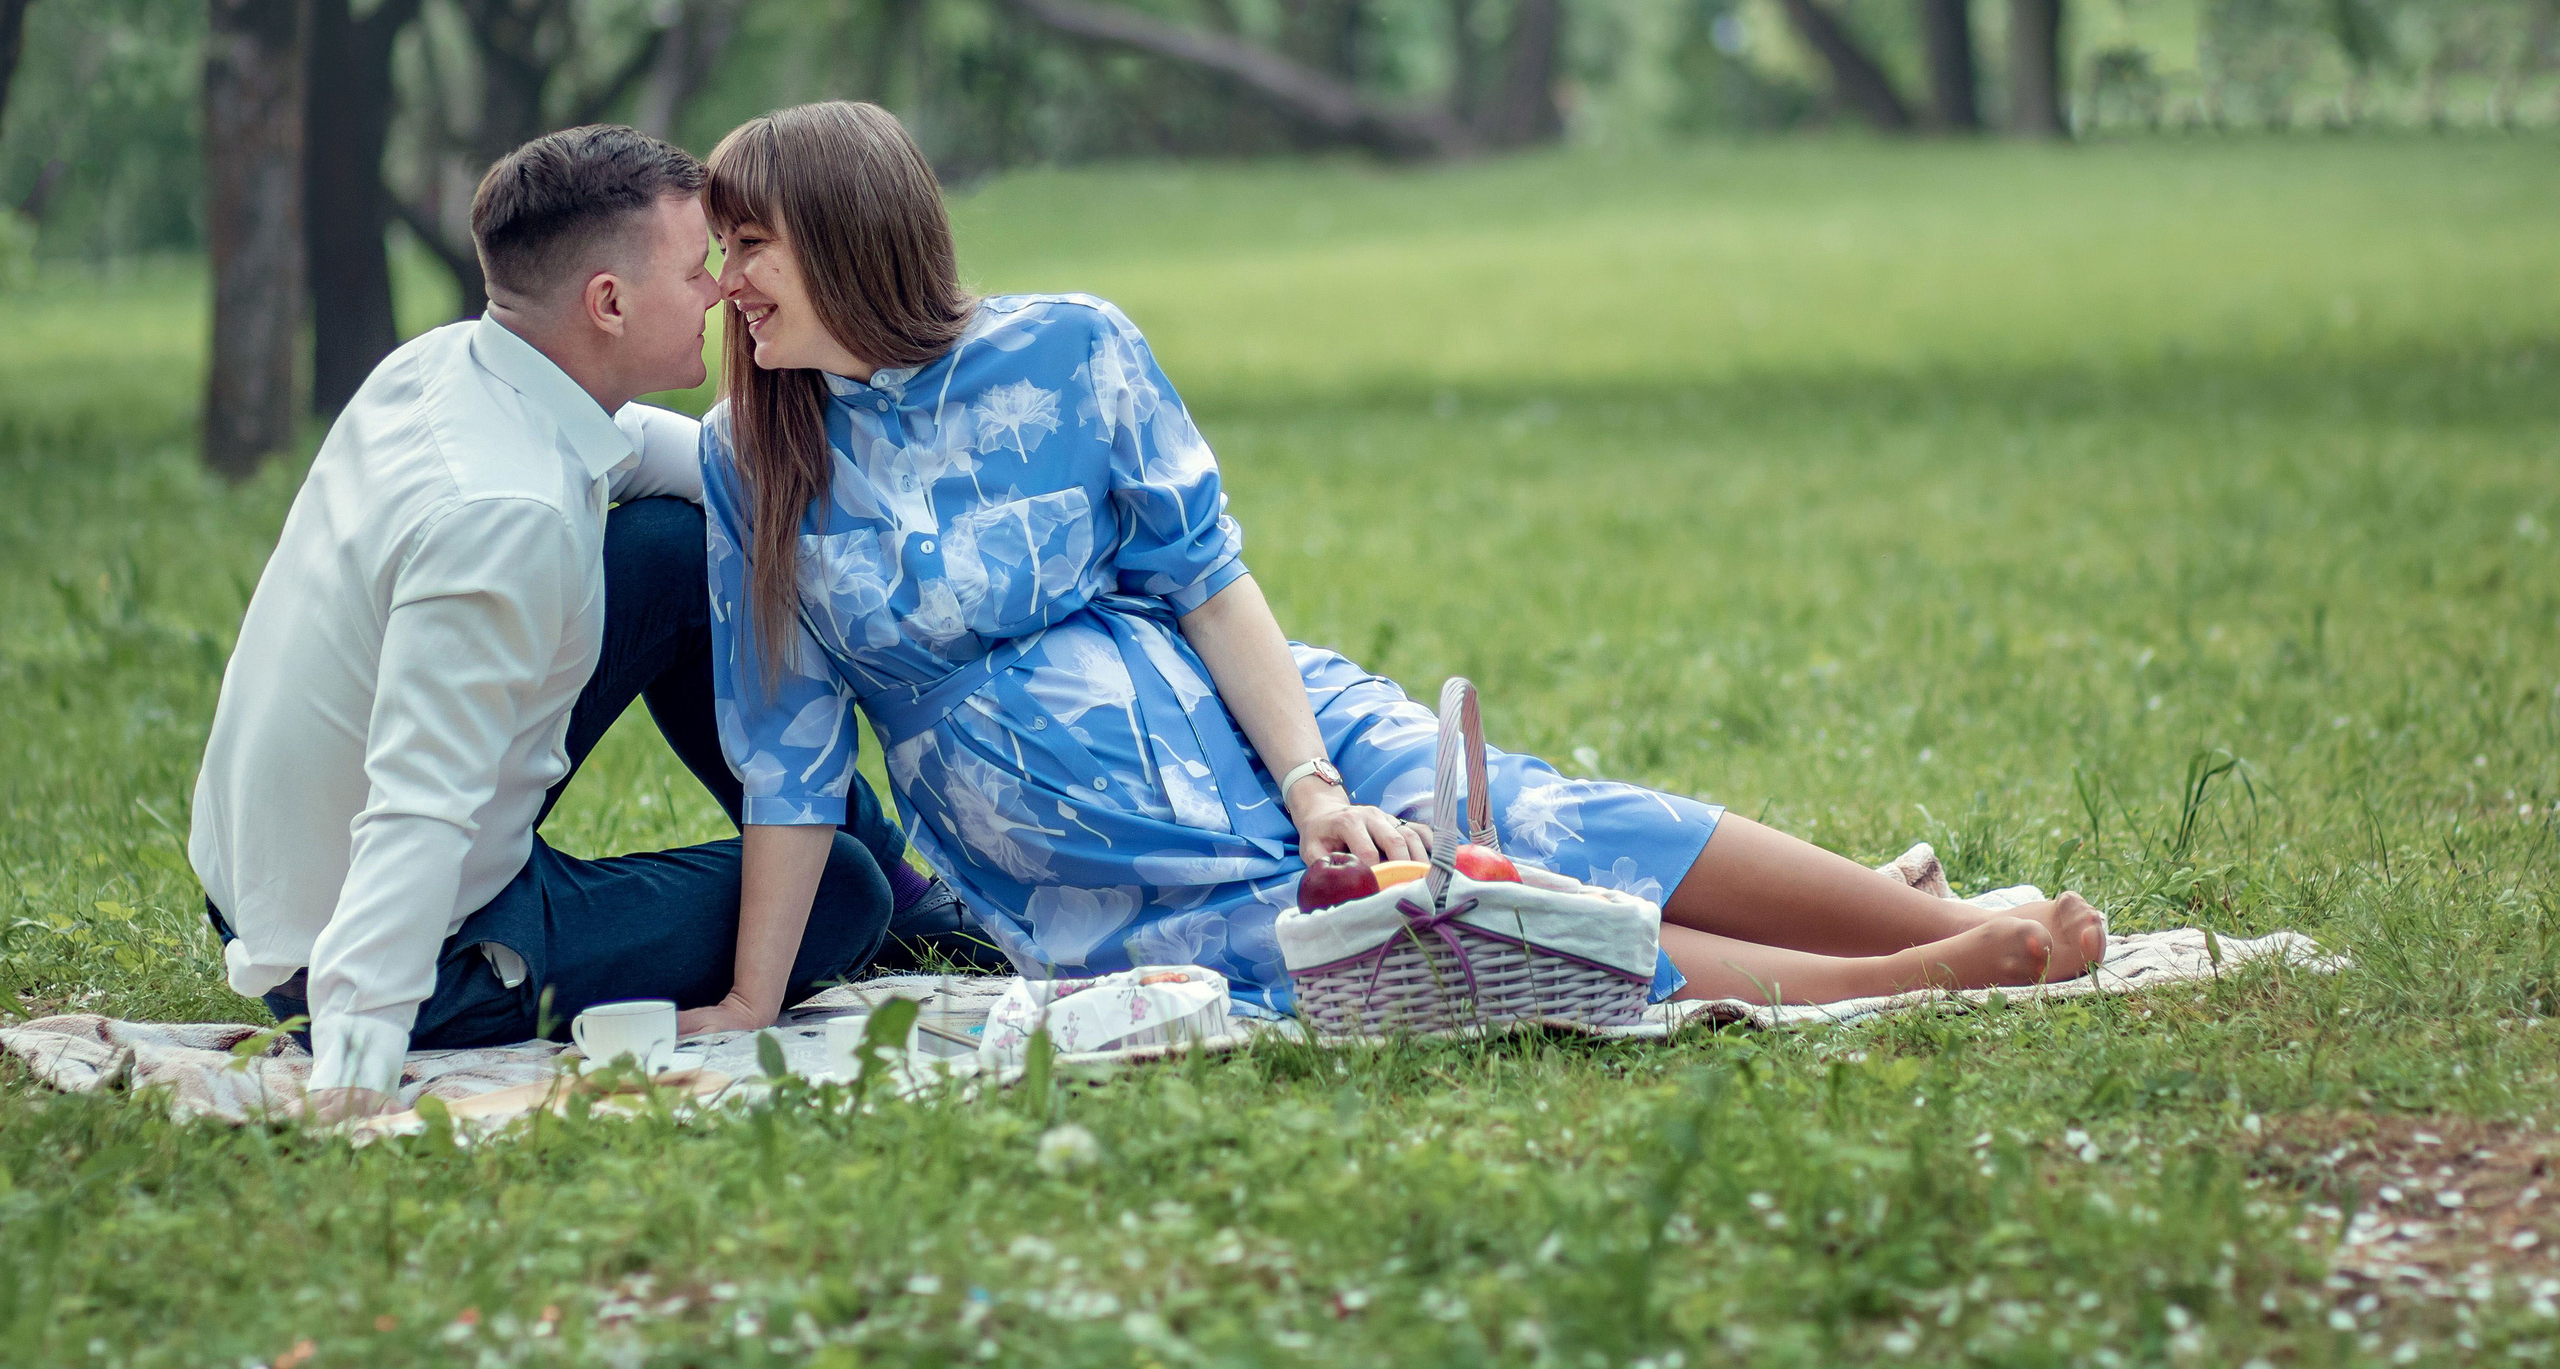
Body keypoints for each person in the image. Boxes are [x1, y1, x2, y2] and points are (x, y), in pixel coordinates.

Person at [695, 100, 2109, 1015]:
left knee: (1521, 811)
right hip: (1095, 861)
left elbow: (1206, 576)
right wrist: (757, 1003)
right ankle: (1921, 972)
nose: (726, 285)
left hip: (1255, 714)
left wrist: (1312, 777)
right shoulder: (748, 457)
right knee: (1422, 932)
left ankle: (1906, 917)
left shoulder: (1072, 348)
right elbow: (792, 754)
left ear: (843, 230)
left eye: (748, 244)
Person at [190, 125, 977, 1123]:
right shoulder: (500, 520)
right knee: (839, 898)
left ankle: (908, 891)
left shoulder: (450, 368)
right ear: (607, 303)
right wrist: (356, 1059)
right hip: (386, 941)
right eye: (697, 269)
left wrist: (856, 521)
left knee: (673, 548)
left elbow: (657, 456)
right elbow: (418, 801)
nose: (722, 291)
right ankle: (882, 892)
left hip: (269, 866)